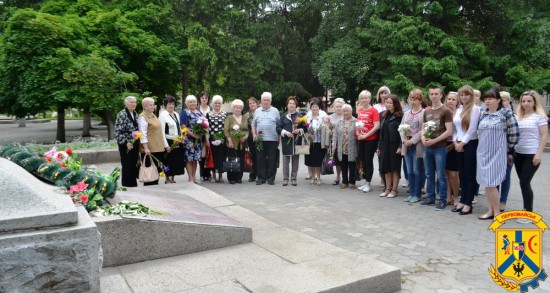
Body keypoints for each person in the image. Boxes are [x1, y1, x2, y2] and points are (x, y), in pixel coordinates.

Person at [476, 87, 519, 220]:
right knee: (486, 183)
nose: (488, 101)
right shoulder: (483, 113)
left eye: (491, 98)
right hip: (483, 152)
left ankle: (497, 213)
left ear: (498, 100)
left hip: (497, 154)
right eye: (486, 99)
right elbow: (479, 132)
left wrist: (507, 149)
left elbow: (514, 135)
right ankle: (490, 211)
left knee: (492, 183)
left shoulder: (506, 115)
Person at [514, 90, 548, 223]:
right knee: (523, 183)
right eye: (523, 101)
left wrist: (538, 154)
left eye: (529, 101)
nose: (526, 103)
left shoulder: (539, 117)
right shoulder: (518, 116)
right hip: (518, 154)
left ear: (534, 102)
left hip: (532, 154)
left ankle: (529, 213)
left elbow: (544, 136)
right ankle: (525, 209)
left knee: (524, 182)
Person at [420, 87, 453, 211]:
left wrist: (435, 140)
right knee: (429, 174)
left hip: (439, 148)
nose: (434, 96)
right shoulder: (426, 111)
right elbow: (423, 127)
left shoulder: (446, 110)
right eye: (431, 94)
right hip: (427, 148)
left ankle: (442, 200)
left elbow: (449, 130)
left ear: (441, 95)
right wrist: (423, 137)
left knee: (440, 175)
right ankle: (430, 197)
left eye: (436, 94)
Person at [452, 86, 481, 215]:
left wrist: (462, 144)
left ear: (471, 96)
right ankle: (462, 200)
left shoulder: (475, 110)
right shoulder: (459, 109)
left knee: (470, 175)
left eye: (466, 95)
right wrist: (455, 142)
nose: (464, 97)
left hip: (469, 144)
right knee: (462, 174)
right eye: (462, 95)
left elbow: (472, 130)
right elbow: (455, 129)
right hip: (458, 143)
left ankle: (468, 203)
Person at [138, 97, 170, 186]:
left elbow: (160, 132)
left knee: (156, 172)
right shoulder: (142, 117)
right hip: (150, 149)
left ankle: (155, 188)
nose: (153, 106)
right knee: (150, 173)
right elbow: (143, 134)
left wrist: (165, 145)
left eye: (153, 104)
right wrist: (146, 148)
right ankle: (150, 190)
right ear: (144, 106)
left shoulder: (153, 115)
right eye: (150, 105)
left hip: (158, 148)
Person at [400, 89, 425, 203]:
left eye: (415, 99)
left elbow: (423, 130)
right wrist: (404, 140)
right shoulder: (406, 113)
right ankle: (411, 192)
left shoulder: (423, 113)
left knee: (416, 170)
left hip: (417, 144)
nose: (413, 101)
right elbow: (401, 128)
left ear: (420, 100)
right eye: (411, 99)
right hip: (406, 143)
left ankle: (417, 193)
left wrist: (413, 141)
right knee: (409, 170)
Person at [377, 94, 403, 197]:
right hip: (384, 145)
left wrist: (400, 146)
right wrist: (379, 146)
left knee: (394, 168)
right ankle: (388, 188)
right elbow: (381, 133)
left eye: (390, 103)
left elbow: (403, 132)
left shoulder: (400, 116)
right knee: (386, 167)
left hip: (395, 145)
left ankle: (394, 189)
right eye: (386, 102)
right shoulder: (384, 115)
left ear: (395, 104)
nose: (388, 105)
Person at [276, 96, 305, 186]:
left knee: (295, 161)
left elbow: (306, 128)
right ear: (287, 105)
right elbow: (278, 128)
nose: (291, 105)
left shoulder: (300, 116)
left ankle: (293, 178)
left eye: (293, 103)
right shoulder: (284, 116)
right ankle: (285, 178)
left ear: (296, 105)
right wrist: (285, 133)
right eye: (290, 103)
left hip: (297, 142)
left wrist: (299, 130)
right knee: (285, 161)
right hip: (286, 142)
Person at [252, 92, 280, 185]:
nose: (266, 102)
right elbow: (253, 124)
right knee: (260, 159)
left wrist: (278, 138)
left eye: (268, 100)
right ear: (261, 101)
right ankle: (261, 178)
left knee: (272, 159)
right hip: (260, 139)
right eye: (264, 100)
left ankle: (271, 178)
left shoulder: (275, 111)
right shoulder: (257, 111)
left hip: (273, 139)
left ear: (271, 101)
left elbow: (278, 125)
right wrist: (254, 135)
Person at [355, 90, 380, 193]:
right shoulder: (360, 110)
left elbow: (377, 125)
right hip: (361, 139)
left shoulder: (374, 111)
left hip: (370, 139)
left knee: (368, 161)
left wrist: (365, 135)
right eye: (362, 98)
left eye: (366, 98)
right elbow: (358, 124)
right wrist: (358, 134)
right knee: (363, 160)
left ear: (370, 99)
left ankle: (368, 183)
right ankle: (365, 182)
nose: (364, 100)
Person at [159, 95, 185, 184]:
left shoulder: (176, 114)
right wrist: (166, 145)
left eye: (173, 104)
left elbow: (179, 128)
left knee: (176, 160)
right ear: (166, 105)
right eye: (169, 104)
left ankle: (173, 177)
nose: (171, 106)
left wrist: (181, 138)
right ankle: (167, 178)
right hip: (168, 141)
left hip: (177, 140)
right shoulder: (163, 115)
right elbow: (161, 131)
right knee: (168, 160)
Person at [114, 96, 140, 187]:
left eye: (135, 102)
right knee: (127, 165)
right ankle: (127, 185)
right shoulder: (122, 114)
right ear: (126, 104)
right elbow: (118, 131)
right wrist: (126, 143)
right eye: (131, 102)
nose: (134, 104)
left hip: (135, 143)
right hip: (126, 144)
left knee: (133, 164)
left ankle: (133, 184)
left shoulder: (135, 113)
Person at [332, 104, 358, 189]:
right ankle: (344, 181)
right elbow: (335, 135)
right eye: (344, 111)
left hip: (352, 147)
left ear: (351, 111)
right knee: (343, 165)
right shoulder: (339, 122)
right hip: (341, 147)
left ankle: (352, 182)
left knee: (352, 164)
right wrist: (333, 145)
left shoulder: (356, 121)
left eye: (347, 111)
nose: (345, 112)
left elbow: (358, 134)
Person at [304, 98, 329, 185]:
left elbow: (326, 129)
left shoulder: (322, 118)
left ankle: (318, 177)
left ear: (319, 108)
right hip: (310, 143)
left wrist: (326, 142)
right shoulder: (307, 117)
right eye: (313, 107)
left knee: (318, 161)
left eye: (316, 106)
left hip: (320, 143)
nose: (314, 108)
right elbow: (303, 130)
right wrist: (308, 135)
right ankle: (312, 176)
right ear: (311, 108)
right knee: (311, 161)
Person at [224, 99, 249, 184]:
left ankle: (239, 177)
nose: (238, 109)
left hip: (241, 144)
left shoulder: (244, 118)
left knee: (241, 160)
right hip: (232, 143)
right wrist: (229, 141)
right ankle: (231, 178)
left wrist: (245, 137)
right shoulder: (229, 118)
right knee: (232, 160)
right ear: (233, 109)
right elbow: (226, 130)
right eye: (236, 108)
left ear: (241, 109)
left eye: (239, 108)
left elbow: (246, 130)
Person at [180, 95, 203, 183]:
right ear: (186, 103)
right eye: (190, 102)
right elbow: (183, 126)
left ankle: (194, 176)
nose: (192, 103)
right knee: (189, 159)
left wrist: (201, 133)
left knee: (195, 159)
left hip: (198, 139)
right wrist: (194, 135)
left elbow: (204, 124)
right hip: (189, 139)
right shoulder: (185, 112)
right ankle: (190, 178)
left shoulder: (199, 112)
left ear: (196, 103)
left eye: (194, 101)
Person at [498, 91, 514, 211]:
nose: (502, 101)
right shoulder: (494, 114)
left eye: (504, 99)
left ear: (509, 101)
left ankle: (503, 200)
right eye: (500, 99)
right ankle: (494, 200)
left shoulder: (511, 115)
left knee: (506, 176)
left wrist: (510, 152)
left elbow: (513, 136)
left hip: (508, 151)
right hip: (495, 152)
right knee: (495, 177)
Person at [445, 92, 461, 207]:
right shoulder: (444, 112)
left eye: (453, 99)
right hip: (442, 144)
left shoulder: (459, 114)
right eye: (449, 99)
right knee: (445, 173)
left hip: (456, 145)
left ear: (457, 102)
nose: (450, 101)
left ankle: (456, 196)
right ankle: (448, 196)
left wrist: (453, 145)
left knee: (454, 174)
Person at [206, 95, 227, 183]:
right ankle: (214, 176)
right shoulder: (209, 114)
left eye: (219, 103)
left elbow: (226, 127)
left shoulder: (225, 114)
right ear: (212, 104)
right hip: (212, 138)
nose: (217, 104)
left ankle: (221, 176)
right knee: (213, 157)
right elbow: (206, 128)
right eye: (215, 103)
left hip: (222, 138)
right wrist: (207, 140)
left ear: (221, 104)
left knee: (221, 157)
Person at [330, 98, 345, 185]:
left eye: (340, 106)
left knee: (344, 160)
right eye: (337, 106)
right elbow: (327, 128)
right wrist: (329, 131)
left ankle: (344, 177)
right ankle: (338, 176)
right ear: (334, 108)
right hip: (335, 141)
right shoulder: (331, 116)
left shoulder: (346, 115)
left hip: (344, 141)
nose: (339, 108)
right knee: (337, 160)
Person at [198, 92, 212, 182]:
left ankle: (208, 174)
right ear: (199, 99)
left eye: (206, 98)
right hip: (199, 135)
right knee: (201, 155)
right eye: (202, 98)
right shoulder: (196, 109)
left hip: (209, 134)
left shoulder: (210, 109)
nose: (204, 99)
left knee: (208, 154)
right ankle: (202, 174)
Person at [245, 97, 259, 182]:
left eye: (253, 103)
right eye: (250, 103)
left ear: (257, 104)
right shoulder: (246, 115)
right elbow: (244, 128)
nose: (252, 104)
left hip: (260, 137)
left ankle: (260, 174)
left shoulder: (261, 112)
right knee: (253, 156)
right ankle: (252, 175)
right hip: (250, 138)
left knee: (260, 156)